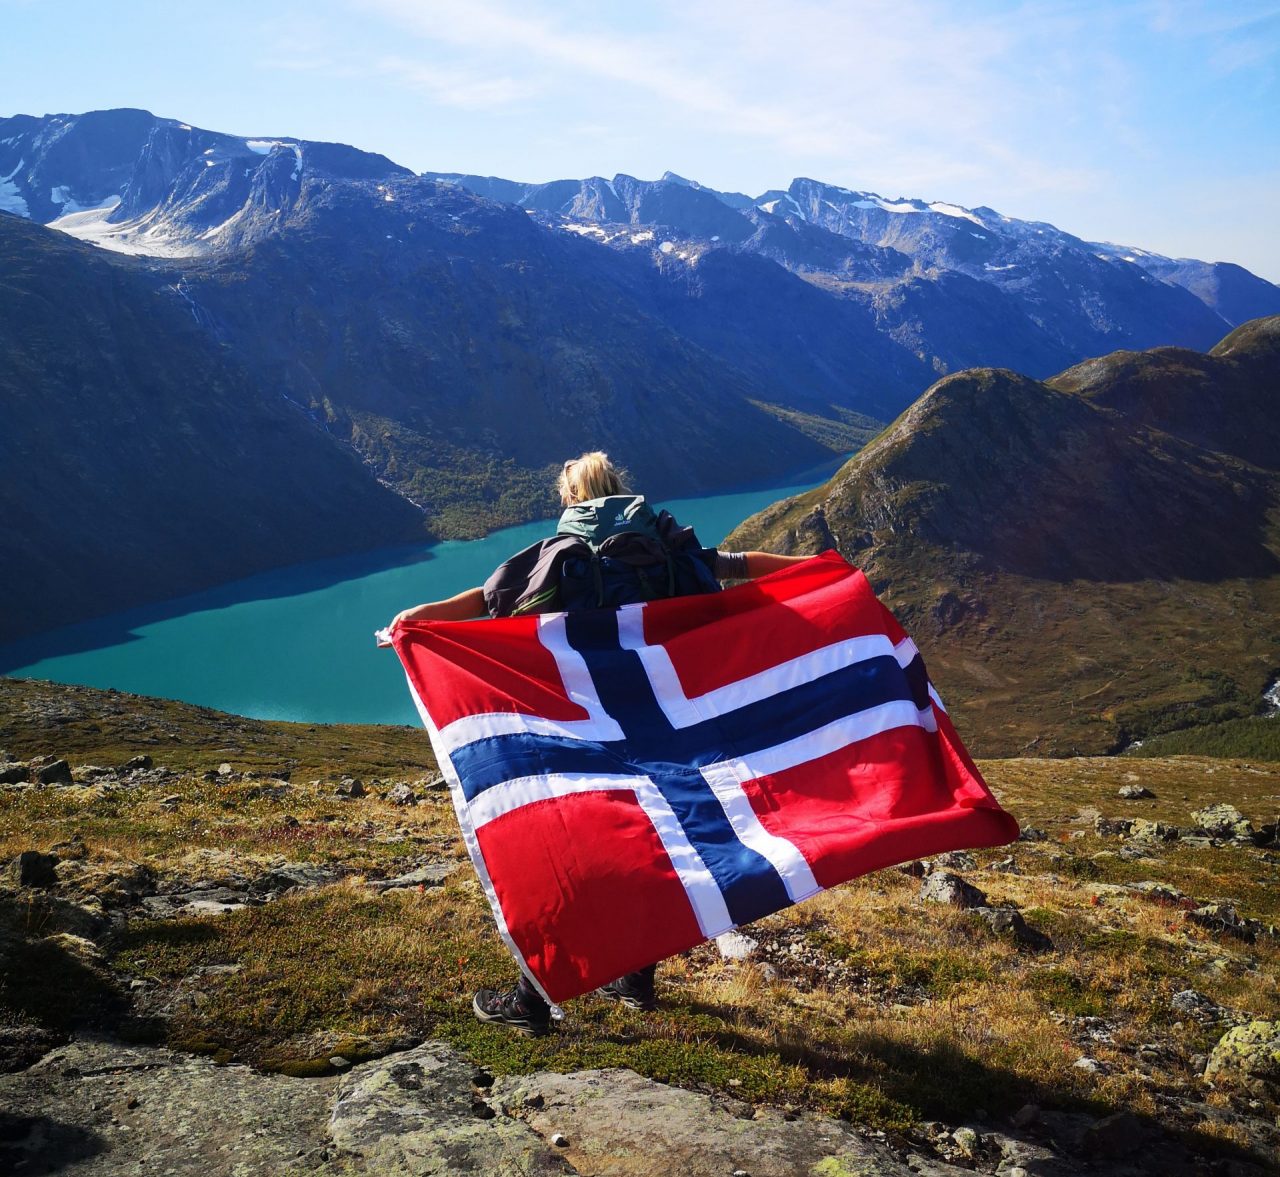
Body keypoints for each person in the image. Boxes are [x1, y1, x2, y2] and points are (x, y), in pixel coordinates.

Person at [389, 451, 811, 1035]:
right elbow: (738, 565)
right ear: (619, 489)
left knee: (572, 847)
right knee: (664, 836)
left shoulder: (560, 557)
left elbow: (488, 601)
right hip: (672, 719)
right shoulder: (665, 543)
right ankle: (636, 980)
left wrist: (418, 619)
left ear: (569, 498)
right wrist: (816, 566)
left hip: (593, 724)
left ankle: (531, 1002)